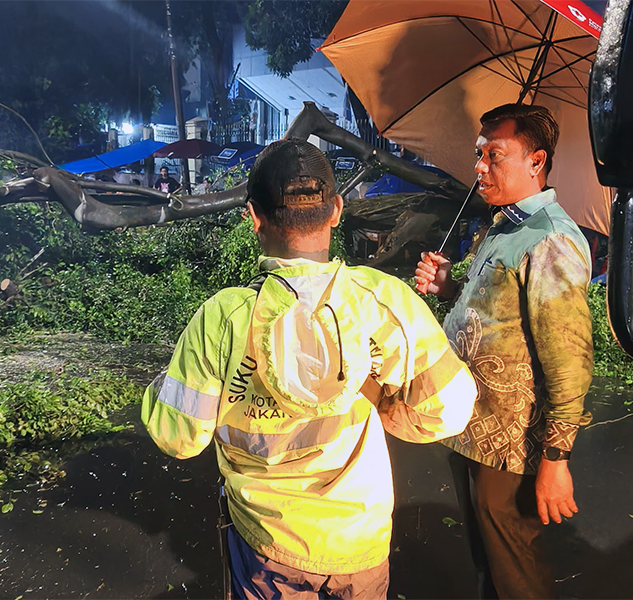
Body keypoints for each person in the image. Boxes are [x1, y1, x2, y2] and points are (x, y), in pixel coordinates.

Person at [142, 138, 478, 599]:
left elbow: (178, 437)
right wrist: (382, 402)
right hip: (358, 542)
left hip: (264, 544)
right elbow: (451, 411)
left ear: (253, 216)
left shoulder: (222, 318)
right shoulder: (384, 303)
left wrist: (167, 383)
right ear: (337, 210)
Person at [415, 104, 593, 599]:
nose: (480, 166)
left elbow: (570, 360)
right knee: (488, 563)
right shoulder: (503, 228)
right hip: (471, 427)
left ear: (536, 162)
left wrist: (556, 459)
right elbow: (496, 313)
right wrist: (448, 287)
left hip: (510, 446)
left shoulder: (551, 240)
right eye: (479, 154)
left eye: (494, 155)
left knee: (516, 572)